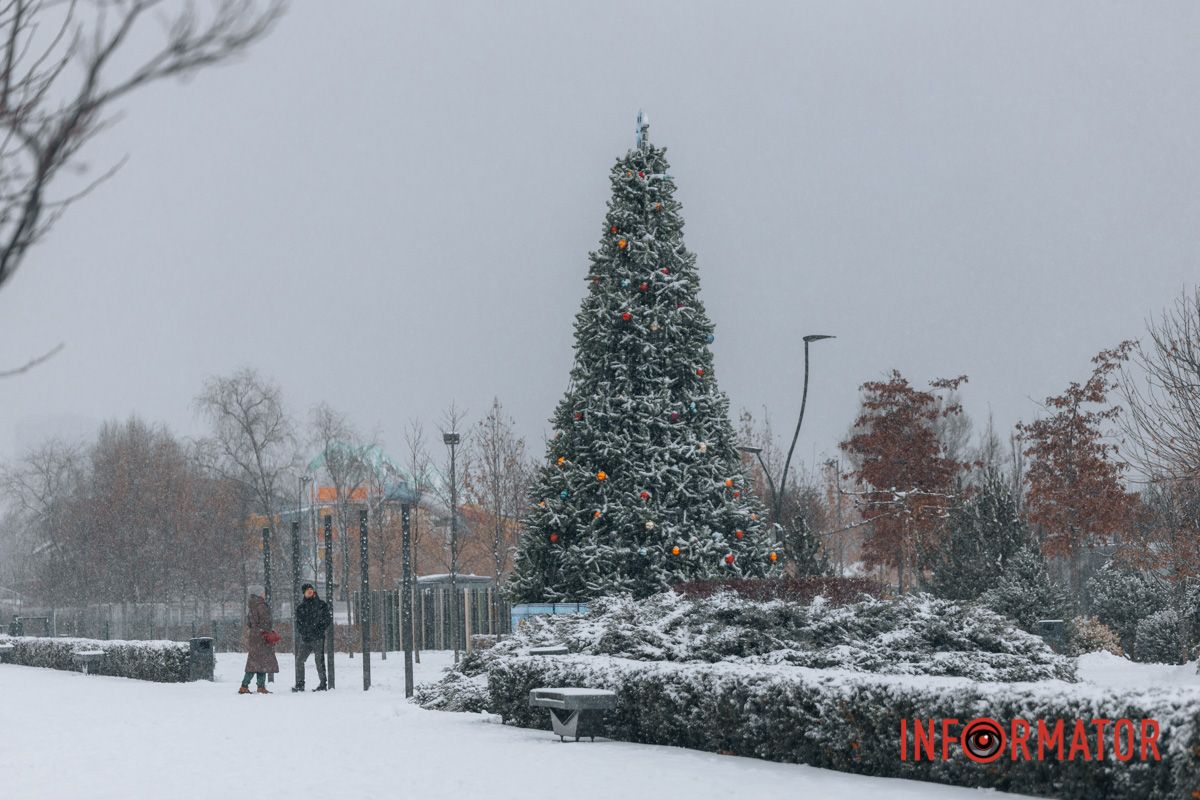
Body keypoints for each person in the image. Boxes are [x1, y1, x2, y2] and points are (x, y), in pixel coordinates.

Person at [239, 584, 280, 695]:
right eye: (262, 592)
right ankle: (248, 686)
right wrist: (269, 631)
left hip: (254, 637)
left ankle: (250, 686)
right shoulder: (262, 605)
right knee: (261, 662)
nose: (264, 594)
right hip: (263, 637)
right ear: (258, 594)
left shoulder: (251, 606)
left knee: (255, 662)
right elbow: (266, 622)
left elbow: (249, 623)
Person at [293, 582, 331, 692]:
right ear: (304, 593)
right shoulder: (301, 608)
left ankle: (323, 683)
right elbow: (299, 624)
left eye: (311, 589)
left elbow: (327, 620)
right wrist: (304, 632)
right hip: (306, 639)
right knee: (299, 660)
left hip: (317, 638)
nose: (310, 590)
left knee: (319, 661)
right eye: (307, 589)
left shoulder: (321, 605)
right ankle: (300, 684)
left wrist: (318, 630)